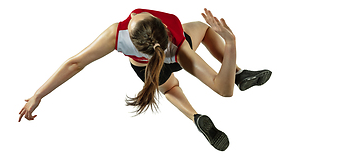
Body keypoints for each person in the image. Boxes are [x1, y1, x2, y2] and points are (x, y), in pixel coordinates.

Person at [18, 8, 272, 151]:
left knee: (169, 87)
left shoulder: (115, 34)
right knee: (203, 29)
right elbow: (223, 90)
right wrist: (230, 42)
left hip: (146, 70)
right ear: (161, 25)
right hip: (177, 57)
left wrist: (39, 95)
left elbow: (75, 63)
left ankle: (195, 117)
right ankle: (239, 73)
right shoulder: (176, 38)